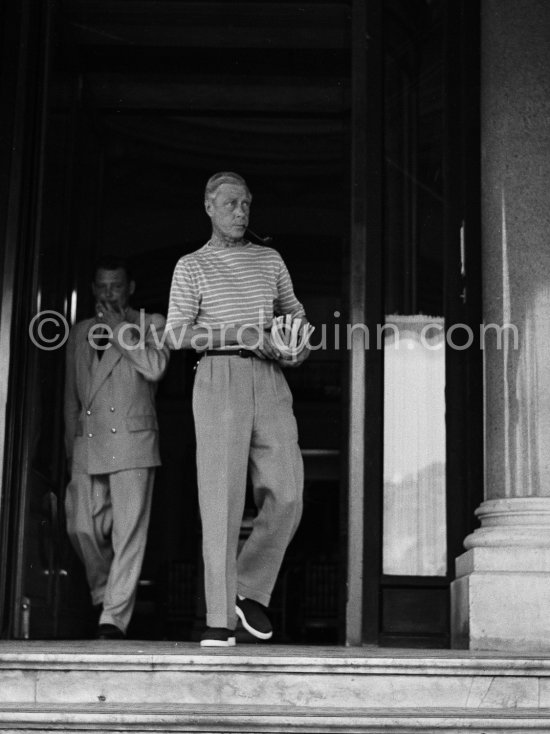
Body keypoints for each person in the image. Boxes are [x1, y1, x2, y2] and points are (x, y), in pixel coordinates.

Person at [166, 172, 309, 646]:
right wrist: (243, 334)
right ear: (208, 206)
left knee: (288, 492)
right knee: (221, 500)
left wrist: (295, 349)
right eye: (230, 203)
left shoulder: (270, 260)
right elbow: (176, 335)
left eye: (247, 203)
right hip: (218, 376)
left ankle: (247, 591)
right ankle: (219, 621)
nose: (241, 212)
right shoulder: (192, 266)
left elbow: (297, 320)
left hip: (270, 379)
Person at [64, 257, 169, 639]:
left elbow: (155, 366)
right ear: (93, 290)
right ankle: (104, 591)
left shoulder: (149, 324)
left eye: (116, 286)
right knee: (81, 525)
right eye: (103, 287)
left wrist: (120, 329)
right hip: (88, 442)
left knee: (128, 534)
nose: (109, 293)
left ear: (130, 289)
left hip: (133, 441)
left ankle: (114, 617)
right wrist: (68, 448)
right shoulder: (78, 332)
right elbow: (70, 399)